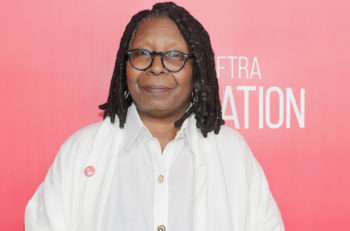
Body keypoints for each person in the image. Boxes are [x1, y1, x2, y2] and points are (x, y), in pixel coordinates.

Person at [25, 2, 285, 231]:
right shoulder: (80, 151)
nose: (156, 67)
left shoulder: (232, 152)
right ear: (124, 65)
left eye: (174, 56)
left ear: (197, 70)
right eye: (142, 54)